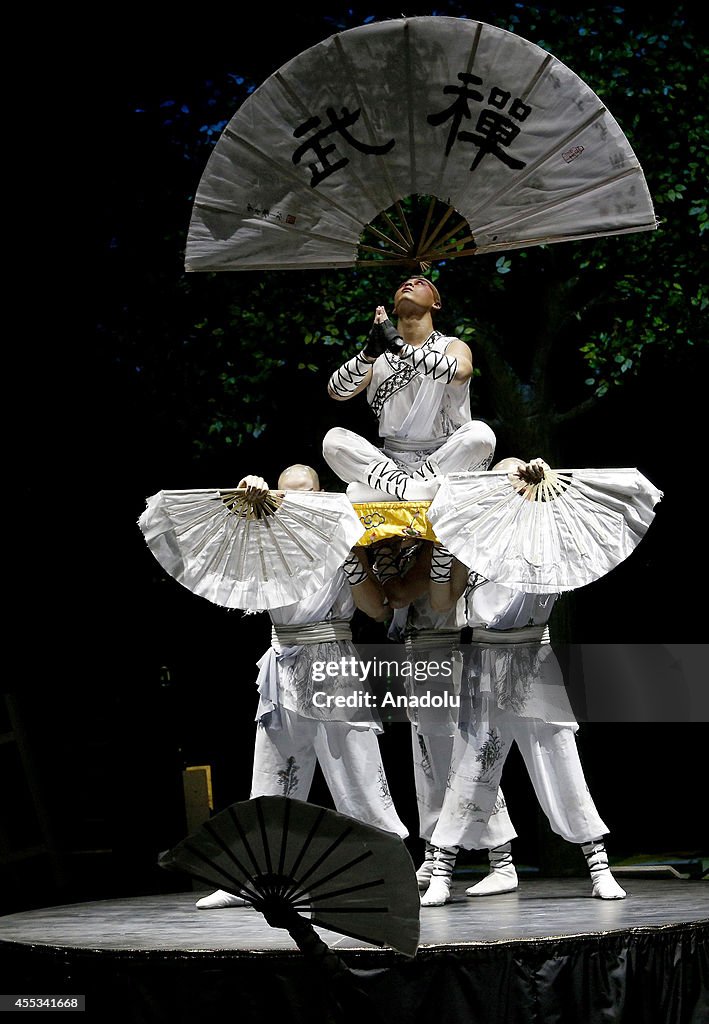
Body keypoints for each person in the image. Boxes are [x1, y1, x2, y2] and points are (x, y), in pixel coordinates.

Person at [196, 464, 408, 909]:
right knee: (272, 776)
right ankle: (258, 875)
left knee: (358, 773)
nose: (299, 501)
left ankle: (389, 868)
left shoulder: (344, 534)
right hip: (283, 663)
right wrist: (247, 495)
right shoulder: (265, 539)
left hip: (334, 658)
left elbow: (379, 611)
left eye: (308, 492)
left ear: (322, 493)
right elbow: (228, 545)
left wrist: (351, 560)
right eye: (288, 494)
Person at [419, 458, 627, 907]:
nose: (509, 487)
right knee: (470, 765)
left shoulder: (545, 532)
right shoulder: (469, 538)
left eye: (515, 480)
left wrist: (542, 479)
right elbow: (440, 600)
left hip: (533, 656)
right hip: (481, 658)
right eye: (502, 481)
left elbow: (566, 513)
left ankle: (598, 866)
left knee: (559, 757)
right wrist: (441, 550)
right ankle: (442, 870)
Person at [377, 538, 520, 906]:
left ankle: (501, 859)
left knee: (462, 762)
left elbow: (399, 595)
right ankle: (431, 852)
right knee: (428, 763)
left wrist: (383, 558)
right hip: (418, 652)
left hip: (446, 652)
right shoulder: (409, 544)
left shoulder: (436, 543)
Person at [322, 277, 496, 502]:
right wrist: (367, 355)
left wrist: (401, 349)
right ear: (394, 308)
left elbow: (460, 372)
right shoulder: (377, 358)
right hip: (391, 462)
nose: (409, 284)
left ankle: (391, 491)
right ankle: (417, 490)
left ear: (436, 304)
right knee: (333, 440)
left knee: (480, 436)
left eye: (421, 283)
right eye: (403, 283)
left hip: (445, 457)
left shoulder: (451, 346)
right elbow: (337, 391)